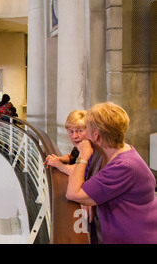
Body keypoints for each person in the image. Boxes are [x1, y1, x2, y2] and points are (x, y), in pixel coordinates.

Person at [66, 102, 157, 244]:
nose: (82, 135)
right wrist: (89, 196)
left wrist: (83, 155)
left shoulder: (124, 166)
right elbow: (81, 180)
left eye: (86, 128)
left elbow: (73, 192)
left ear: (95, 135)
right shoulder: (105, 154)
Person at [45, 109, 103, 244]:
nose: (74, 136)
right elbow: (72, 156)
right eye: (71, 131)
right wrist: (59, 158)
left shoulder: (91, 149)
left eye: (79, 131)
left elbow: (79, 171)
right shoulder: (80, 147)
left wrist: (59, 165)